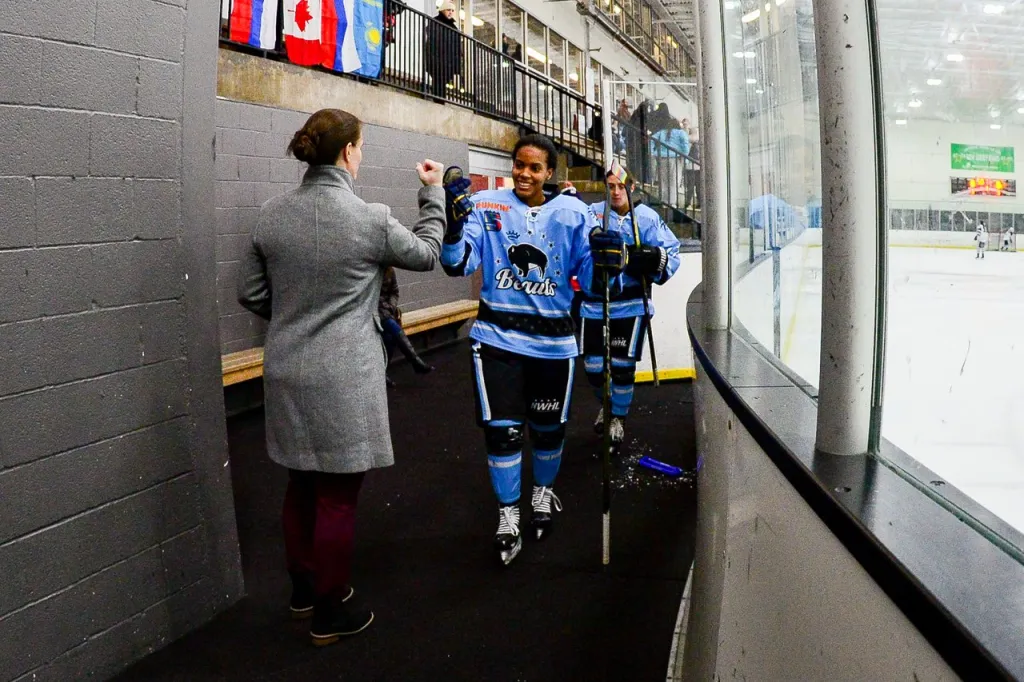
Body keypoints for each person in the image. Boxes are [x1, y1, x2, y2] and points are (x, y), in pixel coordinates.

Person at [236, 108, 446, 645]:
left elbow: (252, 294)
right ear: (349, 152)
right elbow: (426, 253)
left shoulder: (270, 215)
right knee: (337, 496)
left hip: (284, 369)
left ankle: (304, 593)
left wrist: (292, 318)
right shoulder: (369, 219)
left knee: (299, 485)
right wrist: (432, 194)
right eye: (363, 147)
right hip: (343, 376)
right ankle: (330, 611)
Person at [439, 134, 626, 565]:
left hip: (554, 345)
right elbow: (457, 264)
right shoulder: (488, 205)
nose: (524, 174)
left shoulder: (575, 213)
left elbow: (598, 285)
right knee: (502, 432)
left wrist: (607, 260)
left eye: (534, 168)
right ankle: (508, 515)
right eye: (518, 165)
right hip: (496, 340)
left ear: (550, 173)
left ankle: (542, 493)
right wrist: (451, 225)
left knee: (547, 431)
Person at [583, 170, 681, 448]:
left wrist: (653, 258)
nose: (615, 192)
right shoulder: (593, 213)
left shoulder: (647, 218)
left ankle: (618, 417)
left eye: (620, 186)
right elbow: (578, 240)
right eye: (609, 186)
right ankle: (607, 404)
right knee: (593, 367)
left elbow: (671, 253)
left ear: (632, 186)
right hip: (595, 303)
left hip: (630, 303)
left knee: (622, 366)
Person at [379, 266, 434, 386]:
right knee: (392, 327)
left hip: (387, 311)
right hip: (375, 312)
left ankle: (382, 374)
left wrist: (391, 306)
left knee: (389, 338)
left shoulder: (389, 270)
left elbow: (395, 292)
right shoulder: (371, 271)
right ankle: (415, 361)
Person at [425, 1, 462, 98]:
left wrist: (456, 66)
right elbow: (431, 41)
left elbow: (457, 49)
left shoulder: (454, 27)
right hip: (437, 59)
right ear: (442, 10)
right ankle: (438, 100)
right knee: (438, 82)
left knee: (442, 83)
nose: (450, 12)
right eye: (448, 10)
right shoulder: (435, 22)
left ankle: (440, 100)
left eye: (452, 10)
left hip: (447, 62)